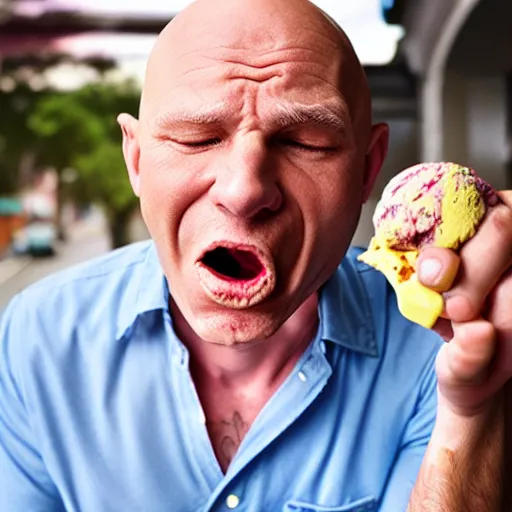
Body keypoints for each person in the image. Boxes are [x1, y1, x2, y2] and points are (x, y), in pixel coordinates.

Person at [1, 0, 511, 510]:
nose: (244, 189)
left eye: (305, 141)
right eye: (195, 137)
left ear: (367, 169)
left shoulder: (437, 341)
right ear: (135, 160)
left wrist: (474, 412)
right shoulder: (35, 340)